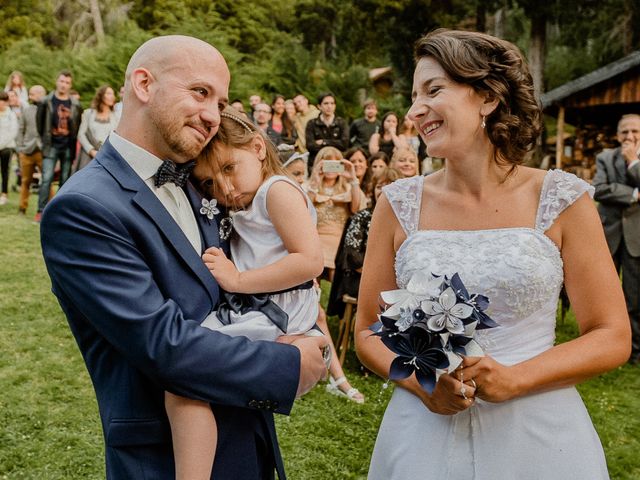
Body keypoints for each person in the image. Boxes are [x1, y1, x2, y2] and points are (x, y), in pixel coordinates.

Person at [40, 35, 328, 480]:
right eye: (200, 92)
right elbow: (162, 345)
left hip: (247, 438)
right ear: (143, 84)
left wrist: (294, 306)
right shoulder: (84, 208)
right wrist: (291, 365)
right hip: (166, 458)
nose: (214, 115)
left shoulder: (202, 181)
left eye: (221, 100)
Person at [355, 29, 630, 480]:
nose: (413, 109)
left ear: (486, 96)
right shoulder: (397, 202)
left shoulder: (561, 198)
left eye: (433, 90)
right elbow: (368, 331)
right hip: (423, 430)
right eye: (412, 96)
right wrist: (421, 386)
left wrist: (515, 379)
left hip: (541, 436)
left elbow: (612, 334)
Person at [166, 107, 324, 480]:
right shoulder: (248, 201)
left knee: (183, 378)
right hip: (261, 307)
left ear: (257, 147)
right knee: (190, 384)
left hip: (275, 311)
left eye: (228, 168)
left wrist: (237, 280)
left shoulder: (277, 191)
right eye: (208, 183)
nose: (222, 188)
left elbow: (310, 261)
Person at [593, 113, 640, 364]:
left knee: (634, 297)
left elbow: (609, 191)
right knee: (603, 295)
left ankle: (634, 350)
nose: (629, 137)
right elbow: (599, 189)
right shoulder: (605, 157)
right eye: (625, 132)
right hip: (608, 234)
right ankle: (601, 346)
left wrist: (633, 163)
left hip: (637, 238)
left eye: (635, 131)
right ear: (617, 134)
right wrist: (634, 193)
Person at [327, 167, 400, 318]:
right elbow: (353, 257)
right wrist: (381, 276)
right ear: (372, 190)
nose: (384, 190)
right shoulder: (362, 217)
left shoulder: (404, 220)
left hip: (397, 282)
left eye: (390, 185)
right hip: (361, 279)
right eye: (379, 186)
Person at [307, 146, 363, 281]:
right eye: (327, 164)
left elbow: (356, 209)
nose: (331, 169)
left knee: (335, 265)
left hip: (339, 242)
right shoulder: (309, 186)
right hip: (315, 239)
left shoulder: (348, 187)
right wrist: (315, 179)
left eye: (335, 164)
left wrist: (353, 179)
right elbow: (304, 210)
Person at [35, 70, 82, 223]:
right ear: (57, 82)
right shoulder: (45, 101)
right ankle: (41, 211)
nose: (64, 85)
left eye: (67, 83)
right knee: (46, 178)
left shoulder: (75, 104)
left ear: (70, 85)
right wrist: (44, 142)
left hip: (68, 145)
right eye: (62, 81)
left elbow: (77, 125)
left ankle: (59, 212)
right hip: (51, 145)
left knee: (65, 179)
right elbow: (39, 124)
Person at [16, 85, 48, 214]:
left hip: (42, 151)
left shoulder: (48, 110)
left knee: (47, 180)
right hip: (27, 151)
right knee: (25, 181)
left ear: (41, 94)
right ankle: (22, 207)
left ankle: (50, 206)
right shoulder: (26, 110)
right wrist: (20, 147)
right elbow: (20, 129)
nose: (29, 96)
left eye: (32, 94)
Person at [74, 85, 119, 172]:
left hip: (107, 156)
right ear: (101, 95)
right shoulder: (88, 113)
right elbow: (81, 134)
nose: (112, 97)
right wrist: (91, 151)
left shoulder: (116, 116)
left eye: (113, 94)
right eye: (109, 93)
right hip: (89, 156)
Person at [305, 93, 349, 165]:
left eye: (332, 103)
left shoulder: (342, 123)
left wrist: (324, 142)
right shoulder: (312, 123)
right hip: (316, 163)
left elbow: (344, 145)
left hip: (337, 163)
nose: (329, 106)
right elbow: (310, 146)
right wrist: (335, 143)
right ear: (319, 106)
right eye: (326, 103)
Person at [0, 91, 18, 206]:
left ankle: (4, 193)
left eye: (2, 101)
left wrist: (1, 144)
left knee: (5, 171)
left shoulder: (11, 115)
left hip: (6, 147)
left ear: (6, 102)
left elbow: (13, 132)